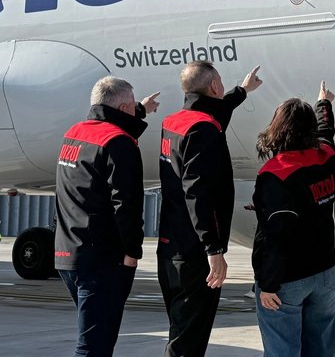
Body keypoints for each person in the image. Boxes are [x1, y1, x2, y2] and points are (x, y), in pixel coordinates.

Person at [157, 61, 262, 357]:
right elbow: (197, 192)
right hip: (194, 254)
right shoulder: (204, 129)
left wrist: (242, 90)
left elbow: (213, 112)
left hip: (170, 245)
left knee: (181, 332)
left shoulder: (173, 123)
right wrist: (213, 250)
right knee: (188, 343)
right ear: (215, 86)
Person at [55, 76, 160, 357]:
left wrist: (140, 110)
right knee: (94, 347)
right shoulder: (120, 143)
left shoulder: (74, 134)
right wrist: (132, 252)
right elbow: (126, 204)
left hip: (68, 255)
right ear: (125, 107)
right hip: (101, 260)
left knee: (93, 338)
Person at [252, 81, 335, 357]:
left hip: (288, 279)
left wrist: (267, 284)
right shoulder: (326, 158)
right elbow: (326, 133)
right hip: (324, 273)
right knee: (322, 349)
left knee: (283, 351)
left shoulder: (275, 173)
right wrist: (323, 104)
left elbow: (276, 236)